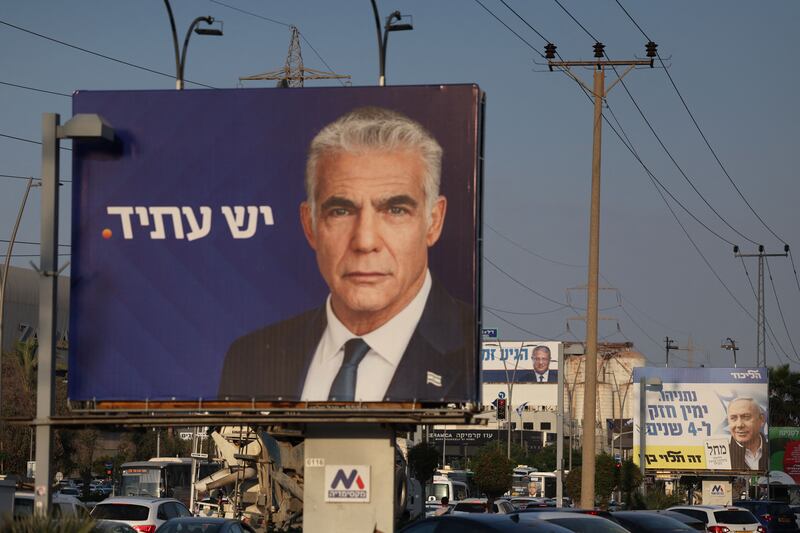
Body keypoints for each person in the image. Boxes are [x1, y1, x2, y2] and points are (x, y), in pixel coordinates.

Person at [218, 107, 474, 402]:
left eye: (395, 210)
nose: (364, 241)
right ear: (310, 225)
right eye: (341, 211)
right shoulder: (251, 358)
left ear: (434, 221)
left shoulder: (472, 352)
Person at [727, 397, 768, 471]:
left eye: (746, 417)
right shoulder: (724, 456)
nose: (739, 425)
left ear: (761, 419)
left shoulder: (773, 451)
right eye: (733, 418)